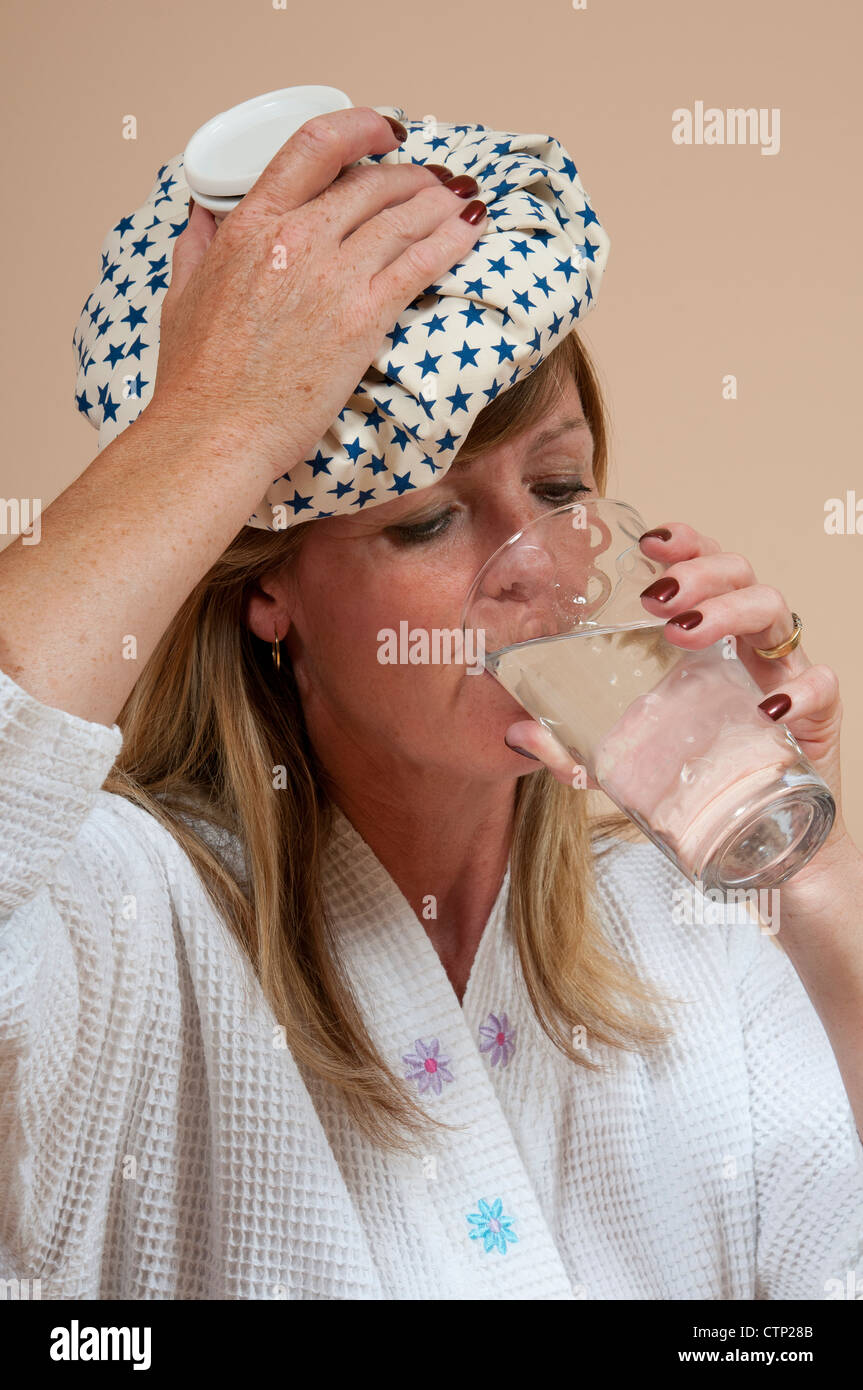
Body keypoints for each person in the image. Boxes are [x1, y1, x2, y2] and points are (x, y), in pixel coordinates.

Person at [0, 105, 861, 1300]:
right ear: (268, 589)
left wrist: (809, 880)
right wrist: (218, 420)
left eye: (559, 485)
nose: (545, 569)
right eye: (425, 517)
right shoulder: (127, 925)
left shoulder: (689, 937)